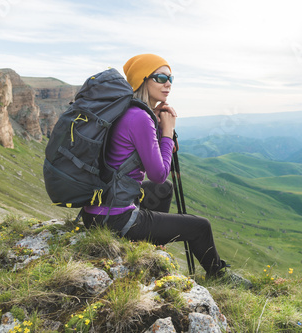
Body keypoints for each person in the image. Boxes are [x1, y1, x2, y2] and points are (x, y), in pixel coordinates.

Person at [81, 54, 229, 279]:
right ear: (142, 80)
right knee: (200, 227)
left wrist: (159, 129)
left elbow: (157, 176)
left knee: (164, 190)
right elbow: (158, 173)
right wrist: (167, 131)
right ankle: (219, 276)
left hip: (97, 211)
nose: (168, 83)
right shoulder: (139, 117)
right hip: (115, 219)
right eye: (160, 77)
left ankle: (150, 248)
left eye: (170, 78)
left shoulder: (127, 110)